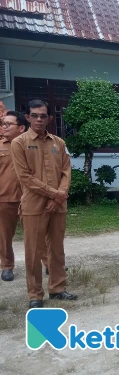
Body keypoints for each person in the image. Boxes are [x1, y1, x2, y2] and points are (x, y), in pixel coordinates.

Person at [11, 100, 76, 308]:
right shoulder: (19, 143)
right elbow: (25, 177)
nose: (39, 119)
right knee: (33, 252)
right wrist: (54, 194)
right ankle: (35, 295)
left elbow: (66, 171)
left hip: (58, 205)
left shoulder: (59, 143)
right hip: (33, 205)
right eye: (34, 115)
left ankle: (58, 288)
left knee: (57, 249)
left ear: (49, 118)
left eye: (43, 115)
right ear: (28, 117)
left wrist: (60, 195)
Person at [0, 111, 28, 282]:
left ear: (21, 128)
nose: (4, 127)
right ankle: (7, 266)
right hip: (5, 197)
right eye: (3, 123)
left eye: (8, 124)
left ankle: (48, 263)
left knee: (37, 233)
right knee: (4, 235)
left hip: (29, 197)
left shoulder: (30, 145)